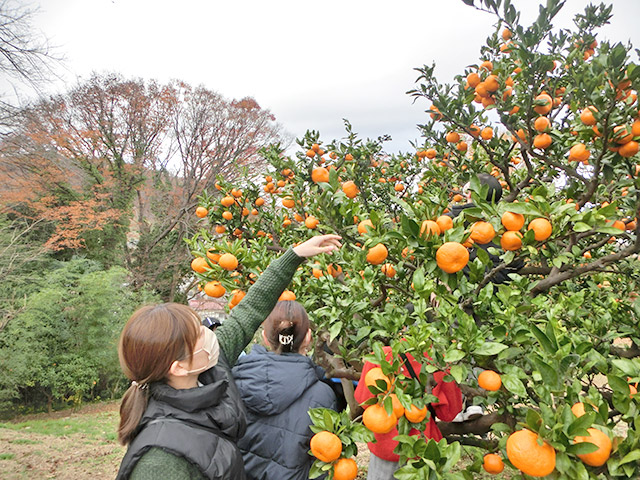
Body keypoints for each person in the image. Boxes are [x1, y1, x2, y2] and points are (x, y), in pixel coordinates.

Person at [115, 234, 342, 480]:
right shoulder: (160, 461)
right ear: (178, 367)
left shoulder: (208, 367)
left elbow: (248, 312)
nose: (210, 334)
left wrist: (293, 256)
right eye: (198, 334)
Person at [232, 300, 337, 480]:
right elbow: (322, 462)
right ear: (308, 337)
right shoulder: (322, 395)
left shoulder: (238, 379)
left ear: (265, 337)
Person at [354, 346, 463, 480]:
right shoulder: (440, 361)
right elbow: (449, 413)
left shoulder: (381, 356)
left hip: (385, 445)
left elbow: (364, 400)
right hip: (424, 449)